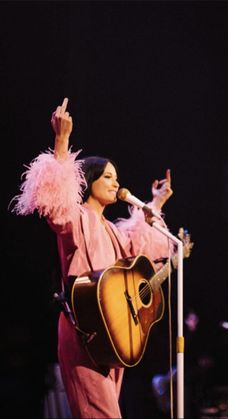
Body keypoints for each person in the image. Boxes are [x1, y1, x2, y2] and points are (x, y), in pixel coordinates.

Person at [12, 97, 173, 418]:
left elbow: (141, 251)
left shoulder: (112, 230)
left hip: (115, 332)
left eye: (117, 177)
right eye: (109, 177)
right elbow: (54, 201)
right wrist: (62, 140)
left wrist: (155, 205)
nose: (117, 183)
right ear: (89, 182)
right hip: (86, 327)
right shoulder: (77, 217)